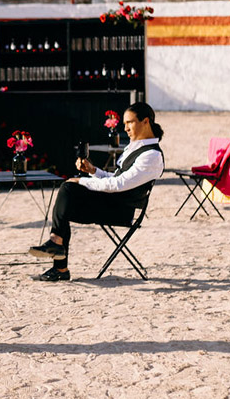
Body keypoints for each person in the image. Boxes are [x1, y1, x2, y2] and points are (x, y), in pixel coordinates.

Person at [27, 102, 165, 282]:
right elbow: (115, 177)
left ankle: (58, 255)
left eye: (129, 123)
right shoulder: (135, 147)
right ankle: (58, 258)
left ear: (145, 122)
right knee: (66, 197)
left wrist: (82, 181)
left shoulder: (151, 156)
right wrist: (93, 171)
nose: (125, 128)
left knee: (68, 190)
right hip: (111, 202)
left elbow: (119, 184)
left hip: (121, 210)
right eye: (124, 123)